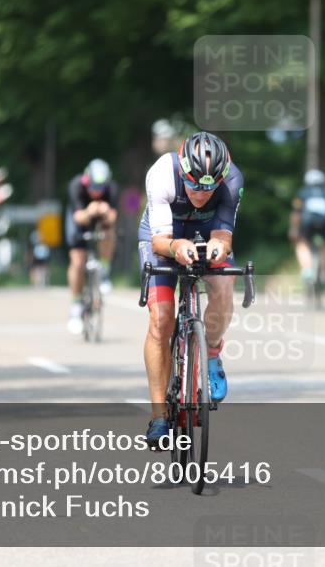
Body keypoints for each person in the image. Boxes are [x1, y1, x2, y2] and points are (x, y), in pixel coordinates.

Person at [138, 131, 243, 444]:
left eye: (209, 187)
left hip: (207, 232)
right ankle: (159, 416)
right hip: (163, 237)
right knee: (161, 320)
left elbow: (224, 237)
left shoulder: (233, 181)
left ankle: (210, 352)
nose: (201, 192)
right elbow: (159, 240)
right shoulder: (161, 174)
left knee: (224, 285)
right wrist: (176, 246)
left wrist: (217, 247)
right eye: (194, 183)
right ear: (183, 171)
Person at [66, 158, 119, 334]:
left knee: (108, 231)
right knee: (78, 262)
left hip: (101, 219)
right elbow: (78, 217)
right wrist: (90, 211)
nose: (97, 192)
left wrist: (104, 212)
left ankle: (104, 269)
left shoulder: (112, 188)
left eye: (100, 188)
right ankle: (75, 305)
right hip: (80, 219)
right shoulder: (76, 186)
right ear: (86, 182)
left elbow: (113, 217)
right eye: (93, 187)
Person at [289, 169, 325, 287]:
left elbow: (297, 213)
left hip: (308, 222)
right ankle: (324, 274)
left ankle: (307, 270)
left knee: (302, 244)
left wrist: (294, 229)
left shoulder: (302, 192)